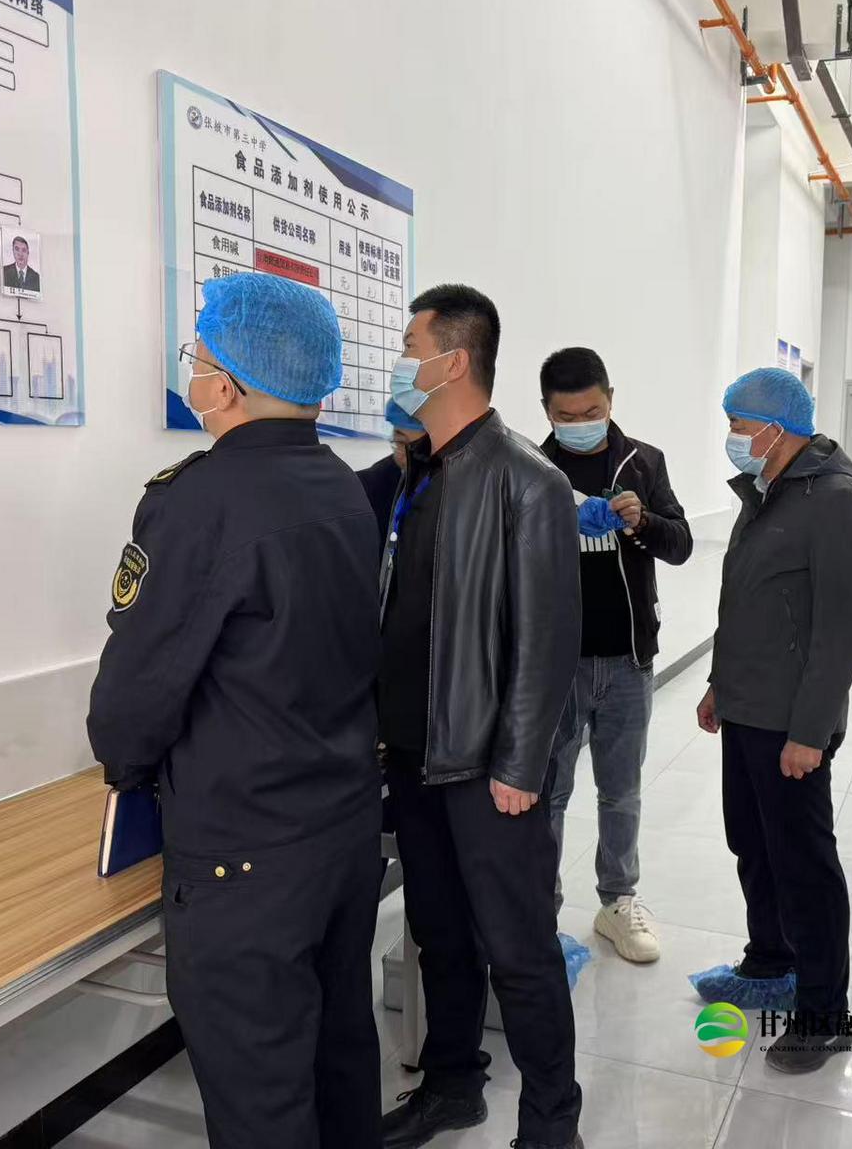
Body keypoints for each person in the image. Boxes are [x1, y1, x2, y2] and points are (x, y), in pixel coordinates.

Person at [87, 272, 382, 1149]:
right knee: (337, 1055)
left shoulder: (201, 501)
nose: (193, 375)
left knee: (260, 1094)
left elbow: (140, 687)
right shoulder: (340, 486)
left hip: (244, 853)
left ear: (226, 387)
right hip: (340, 828)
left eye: (199, 359)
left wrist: (126, 770)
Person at [377, 284, 584, 1149]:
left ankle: (551, 1124)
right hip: (415, 757)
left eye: (409, 345)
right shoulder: (420, 473)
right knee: (440, 937)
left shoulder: (528, 482)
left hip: (487, 766)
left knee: (519, 950)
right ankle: (452, 1085)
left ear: (452, 361)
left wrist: (520, 764)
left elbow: (548, 640)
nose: (399, 361)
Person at [694, 367, 852, 1073]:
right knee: (753, 843)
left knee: (803, 864)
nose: (733, 437)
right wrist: (719, 684)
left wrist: (810, 732)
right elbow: (745, 599)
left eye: (740, 425)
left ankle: (825, 1013)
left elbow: (841, 629)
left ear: (776, 429)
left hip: (791, 719)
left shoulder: (834, 500)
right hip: (747, 705)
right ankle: (771, 961)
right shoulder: (768, 486)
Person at [537, 346, 692, 963]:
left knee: (620, 791)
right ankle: (539, 911)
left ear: (610, 401)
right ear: (546, 411)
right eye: (566, 415)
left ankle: (618, 901)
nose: (581, 423)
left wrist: (642, 521)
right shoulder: (532, 468)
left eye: (592, 411)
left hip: (628, 659)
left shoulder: (643, 462)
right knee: (548, 793)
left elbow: (680, 544)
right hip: (555, 666)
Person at [357, 398, 428, 545]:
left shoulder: (445, 482)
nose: (405, 454)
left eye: (417, 448)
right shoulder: (370, 484)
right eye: (400, 442)